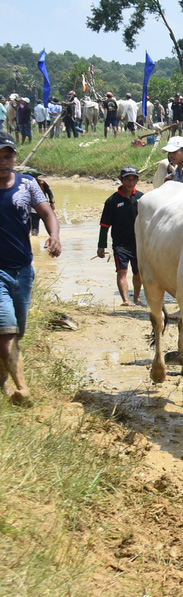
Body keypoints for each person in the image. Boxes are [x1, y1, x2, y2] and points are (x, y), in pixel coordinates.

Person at [0, 132, 62, 405]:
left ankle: (2, 379)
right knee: (8, 329)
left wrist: (55, 236)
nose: (4, 162)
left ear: (14, 157)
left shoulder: (27, 184)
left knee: (16, 330)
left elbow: (47, 213)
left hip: (24, 269)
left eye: (8, 156)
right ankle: (23, 389)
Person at [96, 165, 143, 306]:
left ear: (137, 180)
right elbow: (104, 225)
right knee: (122, 271)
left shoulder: (142, 198)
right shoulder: (112, 201)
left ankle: (136, 298)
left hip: (138, 242)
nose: (130, 182)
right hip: (120, 243)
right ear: (120, 179)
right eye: (127, 179)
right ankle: (125, 300)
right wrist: (101, 246)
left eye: (134, 179)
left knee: (138, 272)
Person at [22, 169, 53, 236]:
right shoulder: (23, 184)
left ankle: (35, 237)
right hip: (28, 207)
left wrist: (51, 202)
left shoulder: (42, 183)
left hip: (39, 206)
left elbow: (49, 192)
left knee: (35, 223)